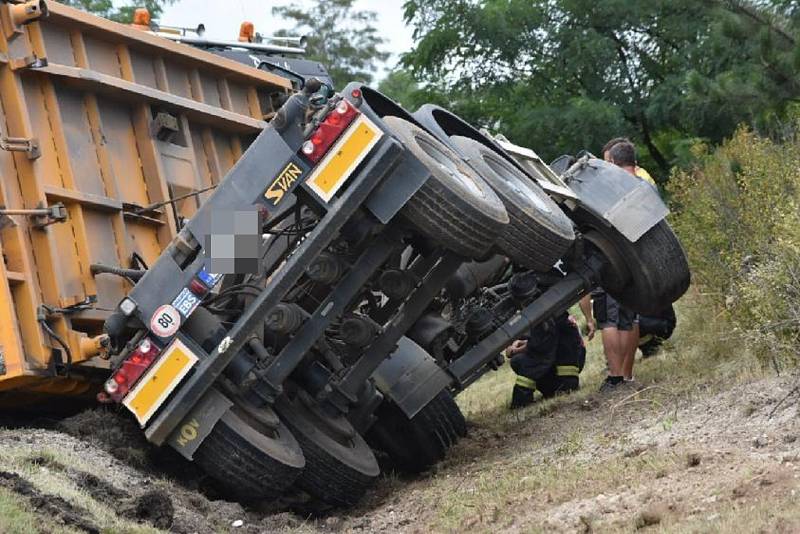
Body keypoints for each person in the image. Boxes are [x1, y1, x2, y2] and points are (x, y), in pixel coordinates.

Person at [594, 138, 654, 389]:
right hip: (639, 264)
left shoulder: (613, 185)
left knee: (609, 321)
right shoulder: (647, 185)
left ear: (615, 162)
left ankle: (615, 377)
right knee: (630, 319)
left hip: (613, 261)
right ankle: (628, 375)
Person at [506, 295, 594, 408]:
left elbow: (540, 345)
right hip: (570, 363)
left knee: (520, 361)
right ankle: (559, 389)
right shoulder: (557, 316)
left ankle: (524, 399)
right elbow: (540, 340)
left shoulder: (545, 320)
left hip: (564, 363)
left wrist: (515, 350)